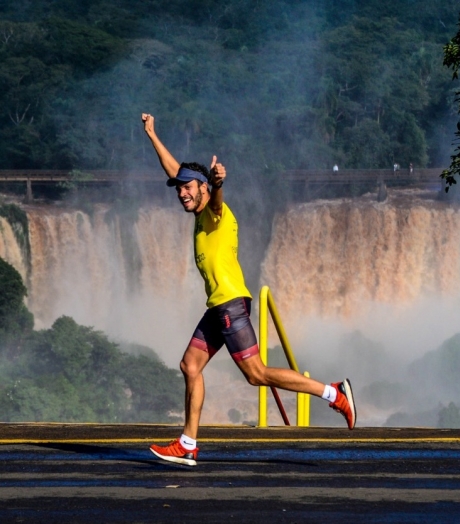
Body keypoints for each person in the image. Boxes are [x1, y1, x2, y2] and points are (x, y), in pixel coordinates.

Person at [141, 113, 357, 466]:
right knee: (190, 366)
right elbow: (173, 169)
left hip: (230, 305)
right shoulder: (198, 213)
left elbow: (216, 200)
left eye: (187, 187)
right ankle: (188, 443)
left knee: (256, 374)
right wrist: (152, 134)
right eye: (178, 188)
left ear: (204, 188)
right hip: (219, 306)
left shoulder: (215, 213)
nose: (181, 192)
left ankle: (334, 394)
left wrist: (218, 182)